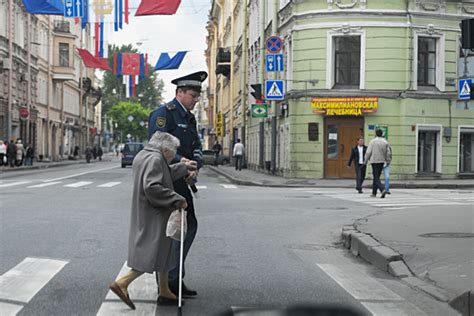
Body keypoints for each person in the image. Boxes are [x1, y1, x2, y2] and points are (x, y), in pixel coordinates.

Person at [108, 132, 198, 309]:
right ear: (165, 150)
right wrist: (176, 199)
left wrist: (182, 167)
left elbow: (164, 173)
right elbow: (153, 186)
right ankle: (122, 283)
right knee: (152, 252)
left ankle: (164, 290)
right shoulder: (156, 159)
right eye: (172, 155)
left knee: (164, 251)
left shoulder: (145, 154)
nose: (171, 158)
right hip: (154, 213)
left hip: (146, 210)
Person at [148, 71, 207, 297]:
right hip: (168, 181)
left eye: (197, 96)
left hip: (184, 180)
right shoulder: (164, 114)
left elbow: (196, 145)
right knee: (178, 229)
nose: (196, 100)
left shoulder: (190, 117)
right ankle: (171, 280)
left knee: (183, 228)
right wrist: (180, 162)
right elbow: (156, 145)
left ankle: (173, 279)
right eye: (192, 95)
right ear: (179, 93)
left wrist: (195, 166)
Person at [364, 129, 391, 198]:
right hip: (382, 161)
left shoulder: (373, 141)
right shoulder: (385, 142)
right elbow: (388, 153)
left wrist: (365, 160)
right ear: (382, 134)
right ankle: (374, 192)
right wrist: (388, 161)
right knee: (377, 176)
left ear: (376, 134)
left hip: (374, 161)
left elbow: (368, 152)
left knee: (376, 177)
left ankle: (382, 189)